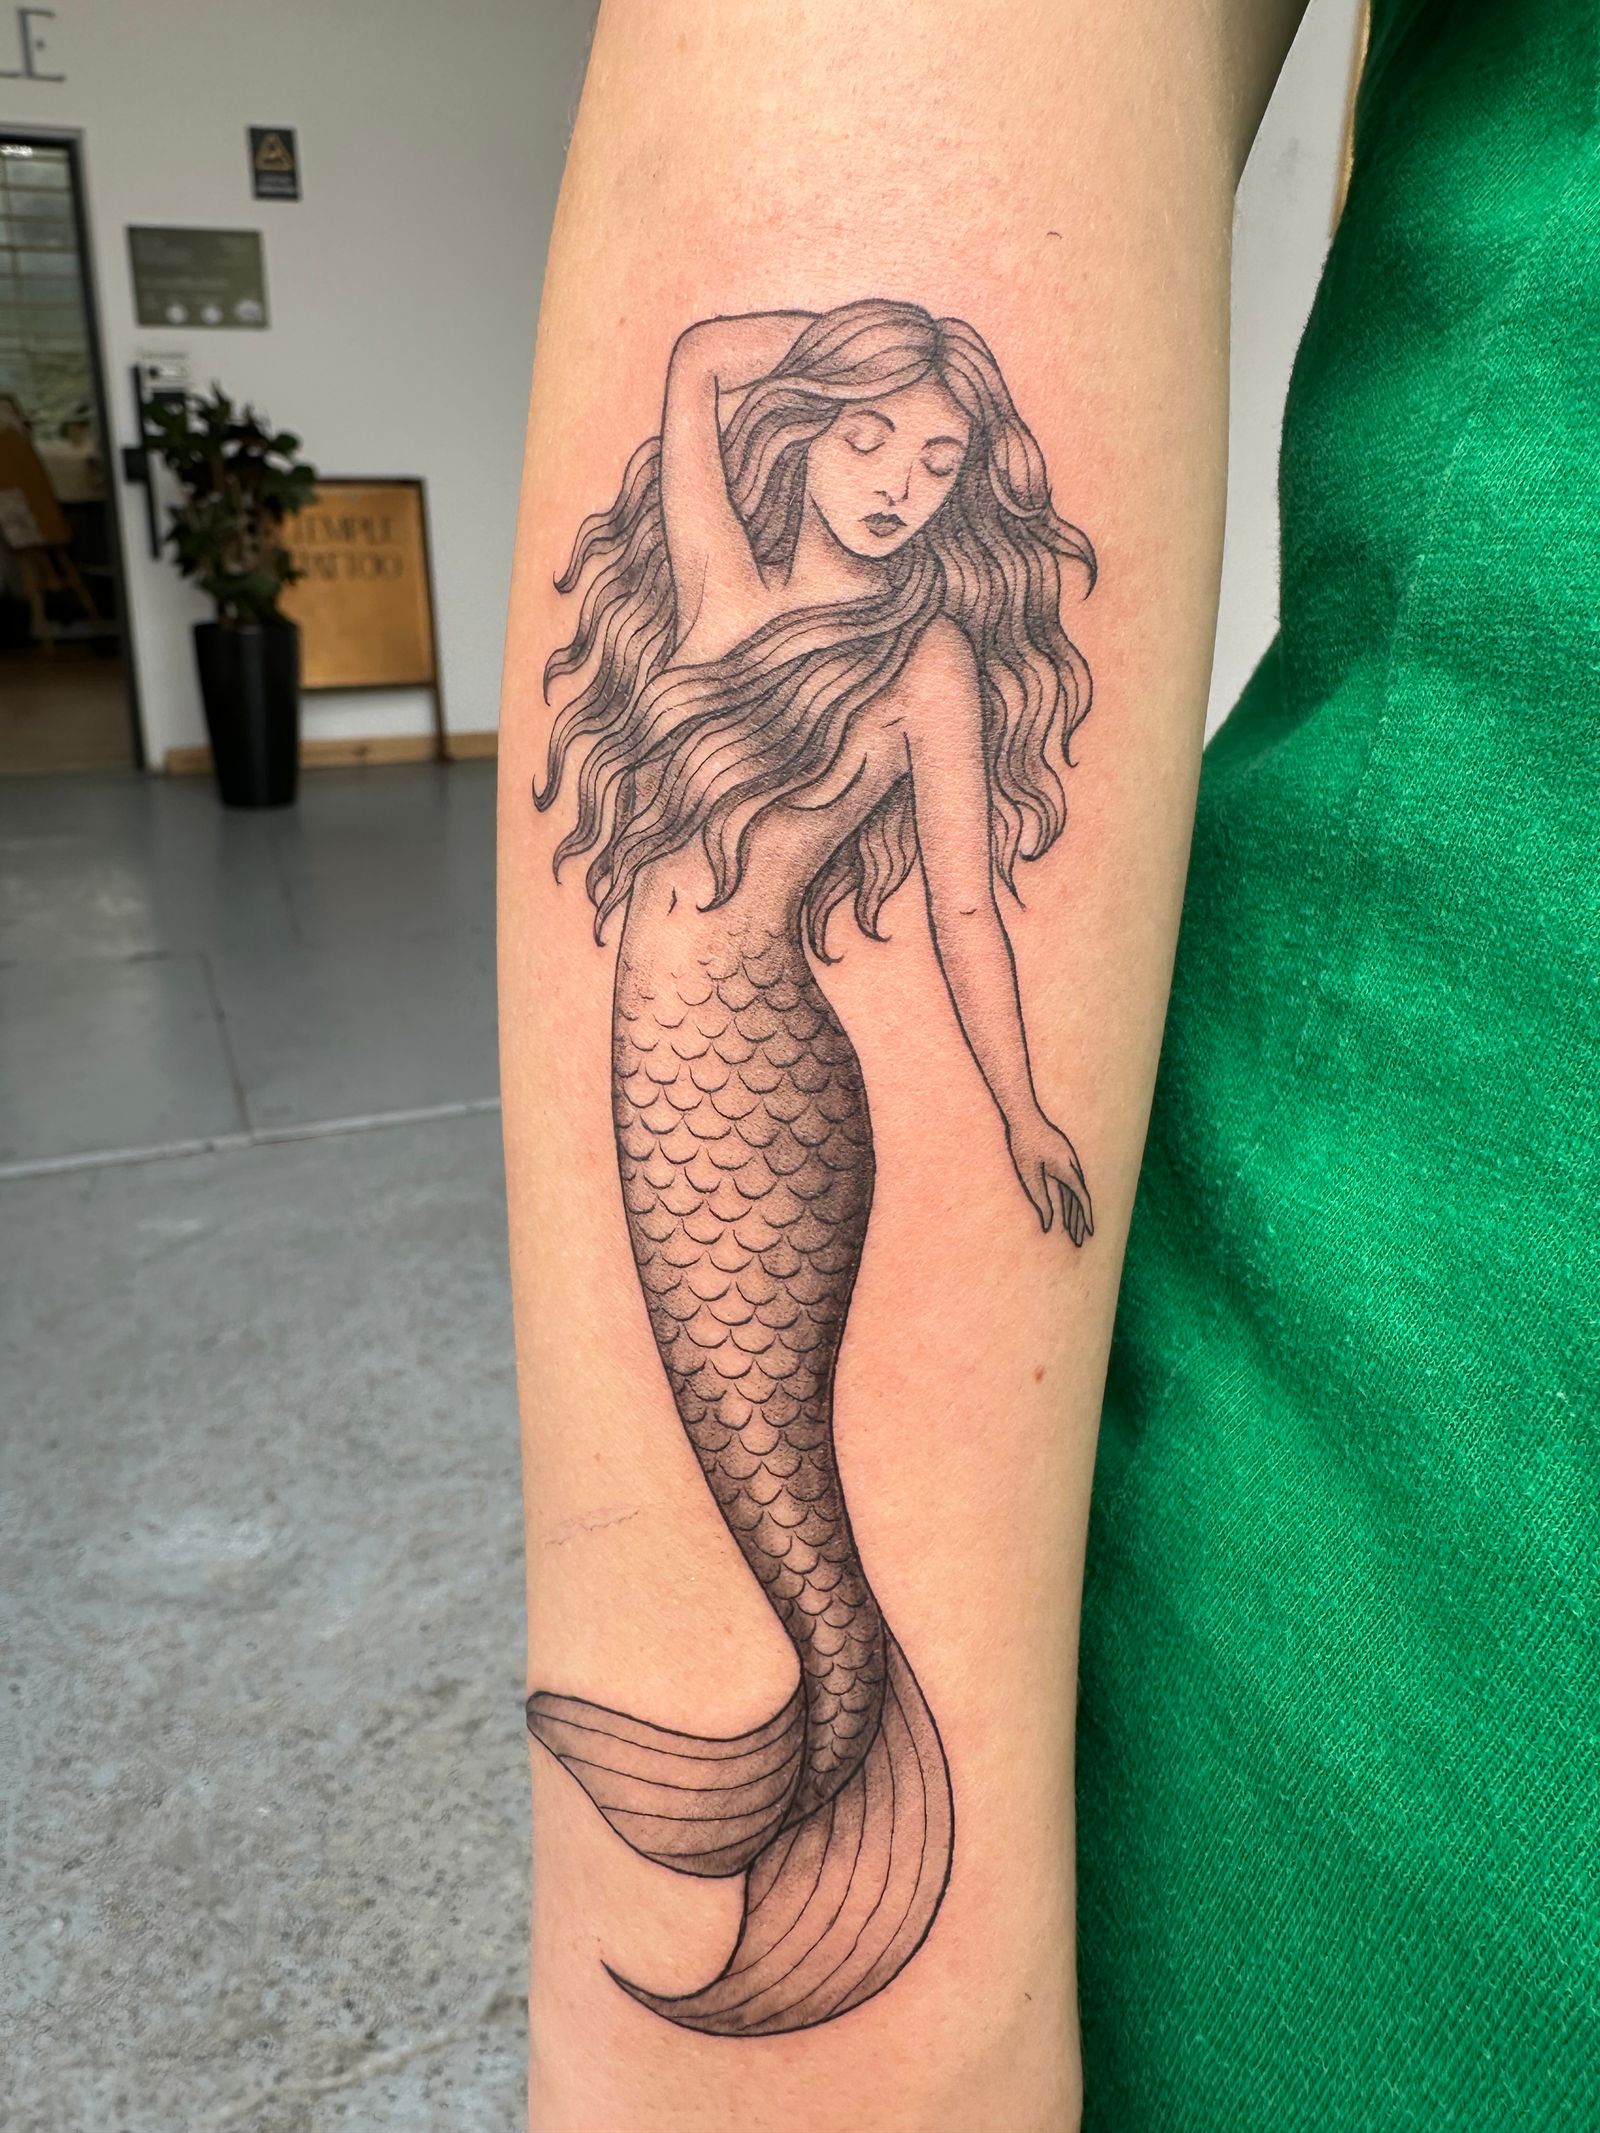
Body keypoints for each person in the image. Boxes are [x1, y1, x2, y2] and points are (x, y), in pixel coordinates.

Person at [497, 0, 1597, 2126]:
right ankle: (806, 1742)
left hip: (776, 1080)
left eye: (938, 465)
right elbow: (712, 346)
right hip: (685, 1064)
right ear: (819, 431)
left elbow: (967, 913)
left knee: (786, 1478)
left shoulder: (920, 659)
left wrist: (1012, 1108)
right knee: (753, 1472)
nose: (904, 485)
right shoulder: (721, 579)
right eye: (875, 443)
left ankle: (830, 1732)